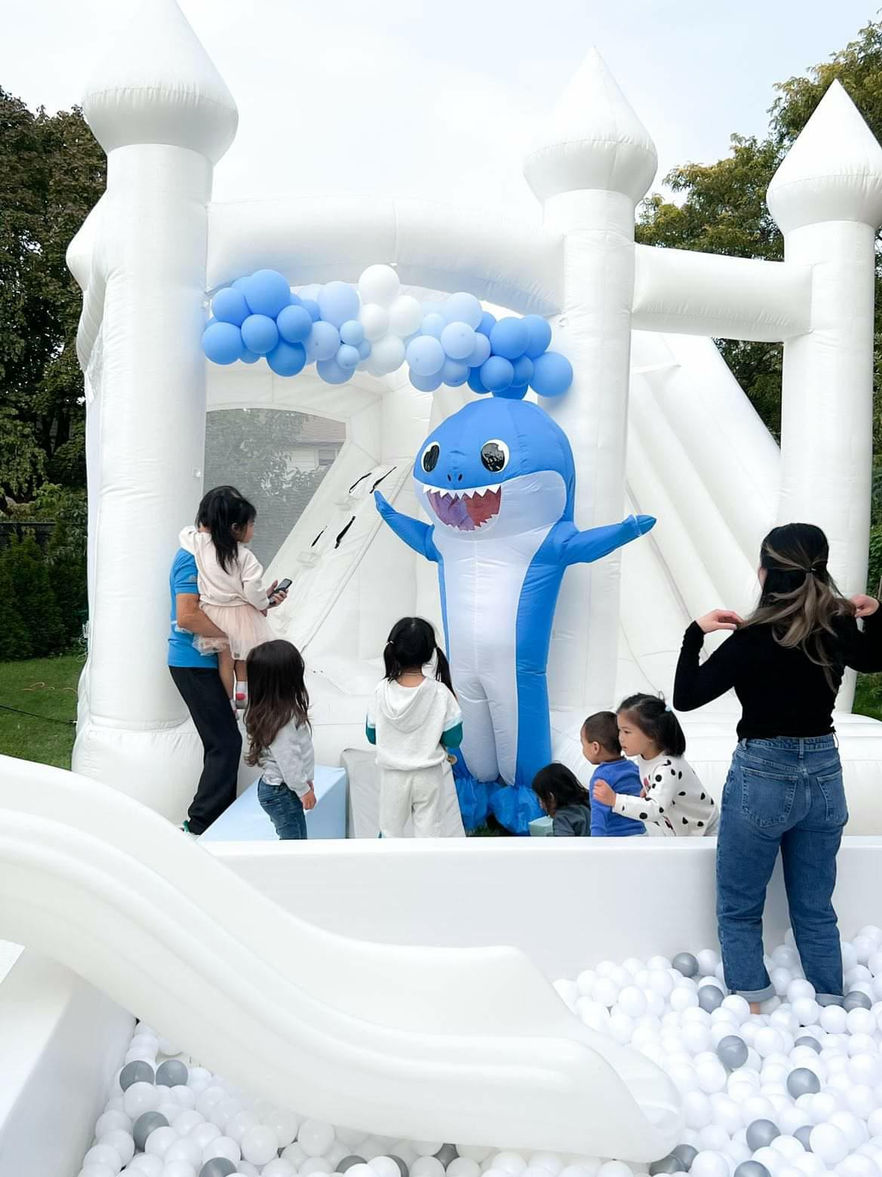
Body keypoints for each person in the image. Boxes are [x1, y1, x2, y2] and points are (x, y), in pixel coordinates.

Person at [673, 522, 882, 1011]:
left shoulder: (753, 638)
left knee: (741, 906)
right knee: (814, 908)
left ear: (766, 573)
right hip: (826, 775)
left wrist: (693, 635)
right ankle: (830, 1004)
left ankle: (752, 1007)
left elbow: (686, 697)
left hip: (763, 774)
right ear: (820, 570)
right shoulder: (837, 630)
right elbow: (876, 658)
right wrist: (874, 615)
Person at [168, 486, 286, 836]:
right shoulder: (190, 556)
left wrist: (263, 603)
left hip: (208, 659)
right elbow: (187, 616)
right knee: (225, 742)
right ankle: (202, 823)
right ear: (231, 525)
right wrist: (227, 641)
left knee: (223, 740)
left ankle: (215, 819)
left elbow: (235, 598)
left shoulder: (221, 554)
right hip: (192, 660)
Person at [366, 617, 464, 838]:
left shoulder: (380, 690)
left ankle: (390, 871)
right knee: (430, 835)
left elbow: (372, 735)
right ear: (430, 652)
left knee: (389, 833)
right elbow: (454, 739)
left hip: (392, 776)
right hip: (428, 776)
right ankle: (427, 872)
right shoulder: (440, 693)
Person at [182, 489, 274, 707]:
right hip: (241, 612)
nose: (253, 529)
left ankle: (229, 700)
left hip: (214, 612)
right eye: (251, 525)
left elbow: (186, 534)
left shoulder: (201, 546)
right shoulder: (245, 556)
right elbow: (253, 589)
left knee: (225, 658)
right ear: (235, 528)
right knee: (243, 652)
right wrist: (264, 604)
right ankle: (243, 687)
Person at [592, 693, 717, 836]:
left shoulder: (668, 768)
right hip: (683, 834)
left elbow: (654, 809)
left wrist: (615, 800)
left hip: (705, 833)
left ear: (652, 735)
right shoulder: (645, 756)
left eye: (627, 732)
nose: (620, 738)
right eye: (619, 730)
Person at [244, 640, 316, 839]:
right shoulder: (282, 720)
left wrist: (305, 781)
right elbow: (289, 759)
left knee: (297, 839)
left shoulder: (278, 713)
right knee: (294, 843)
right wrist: (302, 789)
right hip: (281, 792)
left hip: (283, 789)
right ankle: (289, 870)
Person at [580, 711, 645, 837]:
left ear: (595, 747)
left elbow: (598, 817)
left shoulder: (601, 777)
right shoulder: (634, 768)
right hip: (641, 835)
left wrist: (595, 845)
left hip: (616, 840)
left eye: (583, 744)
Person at [531, 763, 592, 836]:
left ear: (551, 797)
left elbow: (563, 845)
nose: (541, 806)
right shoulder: (590, 802)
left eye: (540, 799)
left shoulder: (562, 818)